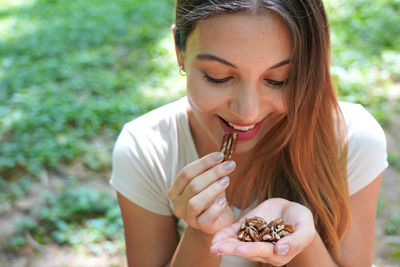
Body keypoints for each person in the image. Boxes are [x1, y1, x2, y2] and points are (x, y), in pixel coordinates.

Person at [110, 0, 388, 266]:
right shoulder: (146, 150)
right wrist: (204, 230)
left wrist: (296, 235)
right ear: (179, 50)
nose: (247, 112)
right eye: (219, 77)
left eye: (279, 80)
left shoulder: (352, 141)